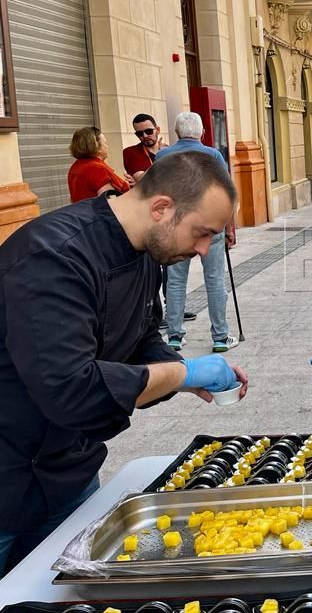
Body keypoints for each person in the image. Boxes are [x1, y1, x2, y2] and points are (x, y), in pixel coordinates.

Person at [0, 150, 248, 573]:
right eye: (202, 233)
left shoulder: (145, 251)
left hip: (69, 471)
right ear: (161, 208)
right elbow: (71, 388)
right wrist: (180, 373)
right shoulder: (53, 258)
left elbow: (140, 334)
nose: (206, 250)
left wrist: (180, 373)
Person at [159, 112, 238, 353]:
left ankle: (174, 335)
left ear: (176, 133)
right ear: (202, 133)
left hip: (175, 227)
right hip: (208, 225)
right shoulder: (213, 155)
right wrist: (229, 227)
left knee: (175, 282)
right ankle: (220, 337)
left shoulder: (162, 156)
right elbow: (226, 194)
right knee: (214, 280)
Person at [67, 127, 132, 203]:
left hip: (82, 212)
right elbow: (109, 201)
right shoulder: (97, 169)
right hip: (96, 214)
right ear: (97, 147)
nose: (107, 146)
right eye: (105, 143)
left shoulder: (76, 166)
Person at [123, 113, 165, 180]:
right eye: (139, 133)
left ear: (157, 130)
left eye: (149, 131)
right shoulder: (130, 152)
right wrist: (162, 156)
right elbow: (144, 180)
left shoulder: (168, 150)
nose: (145, 136)